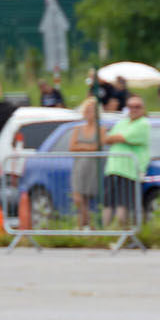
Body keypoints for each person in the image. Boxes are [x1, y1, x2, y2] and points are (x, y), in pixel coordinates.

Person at [102, 93, 152, 227]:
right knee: (108, 204)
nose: (133, 109)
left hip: (130, 171)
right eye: (130, 106)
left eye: (137, 106)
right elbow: (106, 139)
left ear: (143, 108)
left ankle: (123, 233)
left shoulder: (143, 124)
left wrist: (114, 137)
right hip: (113, 168)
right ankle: (105, 234)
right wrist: (113, 137)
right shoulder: (122, 122)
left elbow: (121, 138)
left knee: (123, 206)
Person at [66, 95, 104, 229]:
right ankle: (85, 225)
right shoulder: (78, 129)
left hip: (92, 167)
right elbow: (72, 147)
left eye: (92, 110)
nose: (89, 113)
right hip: (79, 166)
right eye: (87, 110)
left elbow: (97, 147)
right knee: (77, 197)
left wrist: (81, 146)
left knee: (87, 198)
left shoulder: (100, 129)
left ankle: (86, 226)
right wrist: (87, 147)